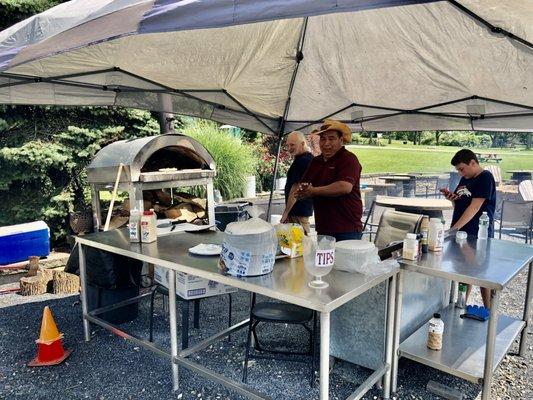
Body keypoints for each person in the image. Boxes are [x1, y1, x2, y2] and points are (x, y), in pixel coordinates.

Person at [282, 119, 363, 241]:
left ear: (341, 140)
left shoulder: (349, 159)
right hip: (323, 227)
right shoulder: (316, 161)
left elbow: (344, 187)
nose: (326, 143)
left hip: (347, 228)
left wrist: (313, 191)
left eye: (331, 138)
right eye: (323, 139)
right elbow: (303, 185)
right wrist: (301, 194)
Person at [442, 149, 496, 308]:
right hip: (461, 232)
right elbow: (460, 203)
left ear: (473, 162)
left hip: (478, 233)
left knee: (480, 272)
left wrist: (453, 229)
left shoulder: (485, 177)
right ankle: (462, 304)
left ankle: (488, 309)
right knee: (465, 271)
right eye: (458, 170)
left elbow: (475, 207)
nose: (460, 173)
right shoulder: (466, 178)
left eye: (461, 168)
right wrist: (452, 199)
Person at [283, 131, 314, 234]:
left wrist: (286, 213)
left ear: (302, 144)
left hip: (299, 212)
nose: (289, 148)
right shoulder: (302, 158)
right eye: (288, 145)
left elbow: (296, 188)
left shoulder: (303, 160)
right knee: (297, 244)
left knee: (301, 244)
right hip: (297, 211)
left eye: (292, 145)